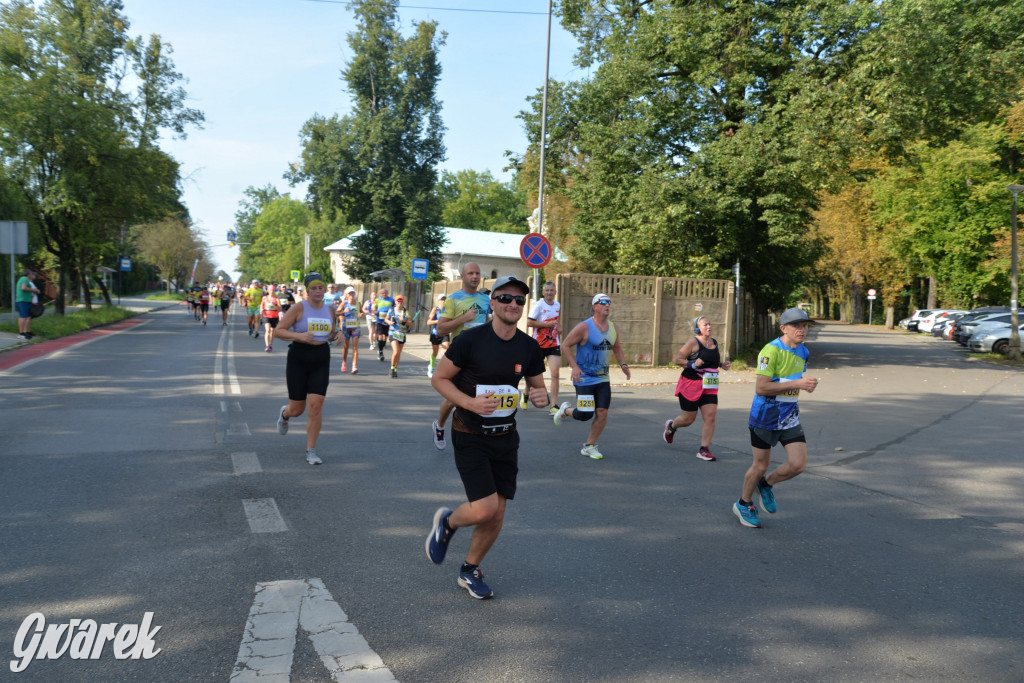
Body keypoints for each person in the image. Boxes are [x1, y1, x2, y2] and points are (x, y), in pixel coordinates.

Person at [425, 275, 548, 600]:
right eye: (505, 298)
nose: (513, 305)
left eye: (519, 300)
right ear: (491, 303)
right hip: (470, 434)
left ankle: (469, 569)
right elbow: (439, 379)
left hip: (506, 437)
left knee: (498, 512)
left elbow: (538, 386)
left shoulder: (529, 346)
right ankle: (448, 522)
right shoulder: (470, 340)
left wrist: (541, 397)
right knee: (483, 509)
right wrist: (469, 403)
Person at [733, 307, 819, 529]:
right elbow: (762, 388)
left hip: (789, 415)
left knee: (798, 465)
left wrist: (804, 386)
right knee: (760, 465)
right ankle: (743, 503)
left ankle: (766, 484)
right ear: (783, 328)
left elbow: (791, 383)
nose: (802, 330)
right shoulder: (770, 351)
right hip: (765, 416)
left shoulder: (804, 352)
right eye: (797, 326)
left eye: (805, 325)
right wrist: (798, 384)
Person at [552, 293, 631, 460]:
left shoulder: (613, 327)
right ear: (594, 306)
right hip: (584, 378)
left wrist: (623, 364)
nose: (607, 305)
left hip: (603, 378)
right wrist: (574, 367)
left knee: (602, 412)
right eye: (603, 302)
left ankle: (589, 446)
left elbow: (616, 348)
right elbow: (565, 345)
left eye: (609, 302)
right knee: (585, 414)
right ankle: (565, 410)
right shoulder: (584, 327)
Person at [274, 272, 339, 466]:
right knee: (297, 409)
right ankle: (285, 414)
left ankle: (311, 450)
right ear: (307, 291)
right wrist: (299, 337)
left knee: (316, 406)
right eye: (314, 288)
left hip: (321, 358)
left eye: (321, 288)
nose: (318, 291)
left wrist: (339, 335)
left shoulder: (330, 309)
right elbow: (278, 331)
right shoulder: (298, 308)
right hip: (299, 357)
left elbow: (331, 334)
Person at [432, 262, 490, 450]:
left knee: (481, 393)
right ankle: (439, 426)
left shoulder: (485, 300)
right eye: (471, 273)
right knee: (453, 398)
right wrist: (463, 319)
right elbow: (440, 328)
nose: (475, 276)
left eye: (477, 273)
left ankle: (476, 433)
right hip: (459, 354)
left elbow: (488, 322)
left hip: (481, 354)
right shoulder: (453, 299)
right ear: (463, 276)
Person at [663, 315, 731, 461]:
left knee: (710, 417)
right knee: (688, 419)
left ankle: (704, 449)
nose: (709, 327)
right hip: (691, 384)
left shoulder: (714, 342)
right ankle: (672, 426)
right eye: (705, 325)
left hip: (709, 385)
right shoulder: (693, 343)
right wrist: (692, 364)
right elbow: (678, 359)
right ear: (697, 328)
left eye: (709, 324)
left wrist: (721, 364)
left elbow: (711, 360)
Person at [526, 281, 562, 415]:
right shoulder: (538, 305)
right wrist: (547, 325)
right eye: (547, 290)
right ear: (543, 292)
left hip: (553, 343)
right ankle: (525, 394)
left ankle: (554, 406)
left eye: (552, 290)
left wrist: (560, 327)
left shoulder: (558, 304)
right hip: (539, 344)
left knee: (555, 374)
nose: (549, 293)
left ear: (555, 292)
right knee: (533, 374)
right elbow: (529, 322)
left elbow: (557, 320)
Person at [385, 295, 412, 378]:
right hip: (393, 332)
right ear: (395, 302)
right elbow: (386, 319)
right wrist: (389, 322)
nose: (399, 303)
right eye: (398, 302)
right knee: (396, 351)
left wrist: (404, 320)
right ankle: (392, 368)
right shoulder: (392, 310)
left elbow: (411, 323)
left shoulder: (405, 311)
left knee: (399, 353)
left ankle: (395, 368)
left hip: (402, 333)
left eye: (401, 302)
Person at [336, 286, 361, 374]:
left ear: (354, 294)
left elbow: (361, 311)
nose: (351, 295)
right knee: (346, 346)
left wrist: (361, 314)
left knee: (355, 347)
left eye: (352, 293)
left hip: (355, 327)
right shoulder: (344, 303)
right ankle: (344, 362)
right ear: (346, 295)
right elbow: (336, 313)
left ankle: (354, 366)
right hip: (346, 327)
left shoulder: (358, 303)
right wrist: (344, 312)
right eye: (349, 293)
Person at [426, 294, 449, 378]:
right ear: (438, 301)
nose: (443, 301)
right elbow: (429, 322)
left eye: (445, 299)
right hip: (435, 333)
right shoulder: (435, 309)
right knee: (435, 353)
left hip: (445, 333)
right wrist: (438, 321)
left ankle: (444, 369)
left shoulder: (448, 310)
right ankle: (431, 367)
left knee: (447, 350)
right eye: (442, 299)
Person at [15, 269, 41, 340]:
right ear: (29, 274)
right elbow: (23, 288)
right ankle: (21, 333)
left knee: (26, 316)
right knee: (23, 316)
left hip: (25, 300)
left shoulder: (24, 279)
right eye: (32, 274)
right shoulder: (24, 279)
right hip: (22, 300)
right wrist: (34, 290)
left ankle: (25, 332)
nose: (33, 275)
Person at [372, 288, 395, 362]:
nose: (384, 294)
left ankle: (381, 349)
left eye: (385, 293)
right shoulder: (377, 300)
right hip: (379, 320)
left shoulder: (391, 300)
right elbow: (374, 307)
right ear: (380, 294)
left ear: (388, 293)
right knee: (380, 335)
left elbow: (395, 307)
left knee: (385, 336)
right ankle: (380, 352)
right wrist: (375, 311)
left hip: (388, 320)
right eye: (382, 293)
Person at [260, 285, 282, 351]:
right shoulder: (264, 298)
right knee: (268, 330)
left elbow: (280, 309)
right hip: (266, 315)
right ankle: (267, 346)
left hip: (274, 316)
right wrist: (261, 310)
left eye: (273, 290)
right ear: (268, 291)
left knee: (272, 332)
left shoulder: (276, 299)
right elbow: (262, 305)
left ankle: (270, 344)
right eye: (270, 290)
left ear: (275, 291)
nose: (272, 292)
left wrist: (275, 305)